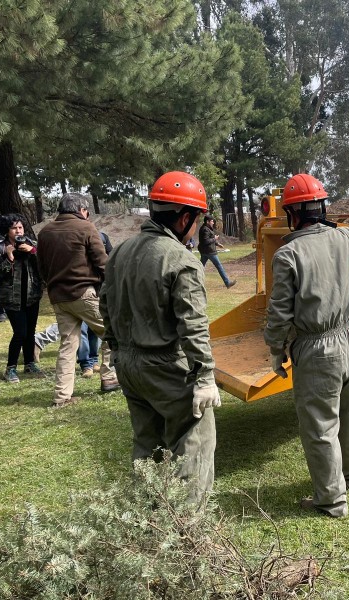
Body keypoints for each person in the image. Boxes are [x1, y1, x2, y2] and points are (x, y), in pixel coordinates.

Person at [100, 171, 221, 507]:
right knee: (194, 440)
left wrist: (116, 352)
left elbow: (105, 308)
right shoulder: (180, 259)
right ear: (185, 218)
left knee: (147, 444)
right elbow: (193, 325)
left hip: (128, 364)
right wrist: (205, 378)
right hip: (165, 366)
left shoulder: (120, 252)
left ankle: (145, 524)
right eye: (197, 219)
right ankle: (186, 532)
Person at [264, 173, 349, 518]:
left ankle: (331, 499)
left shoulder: (288, 254)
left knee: (320, 424)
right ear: (322, 207)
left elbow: (280, 312)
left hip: (316, 348)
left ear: (292, 214)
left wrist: (276, 350)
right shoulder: (347, 240)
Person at [37, 192, 119, 408]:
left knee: (68, 345)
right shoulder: (86, 227)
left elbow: (41, 268)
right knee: (112, 333)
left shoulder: (45, 232)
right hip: (83, 293)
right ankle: (109, 378)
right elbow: (103, 263)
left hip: (58, 296)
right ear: (82, 210)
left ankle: (62, 397)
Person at [0, 213, 44, 383]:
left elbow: (43, 266)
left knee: (30, 332)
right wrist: (9, 258)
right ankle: (10, 368)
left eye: (20, 227)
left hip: (31, 295)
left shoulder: (31, 244)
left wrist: (33, 251)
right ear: (7, 230)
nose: (18, 231)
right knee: (20, 332)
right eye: (14, 228)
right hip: (12, 298)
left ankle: (29, 364)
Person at [78, 232, 112, 377]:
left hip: (100, 290)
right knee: (82, 329)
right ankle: (86, 364)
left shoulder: (102, 236)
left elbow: (110, 257)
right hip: (83, 291)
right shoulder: (77, 239)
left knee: (95, 331)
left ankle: (94, 361)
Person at [197, 215, 236, 288]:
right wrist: (215, 239)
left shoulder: (206, 228)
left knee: (200, 267)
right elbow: (206, 241)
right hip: (209, 252)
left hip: (205, 251)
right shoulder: (205, 229)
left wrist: (217, 244)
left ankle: (196, 283)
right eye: (211, 221)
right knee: (219, 266)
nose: (213, 223)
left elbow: (208, 239)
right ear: (207, 222)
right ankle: (227, 283)